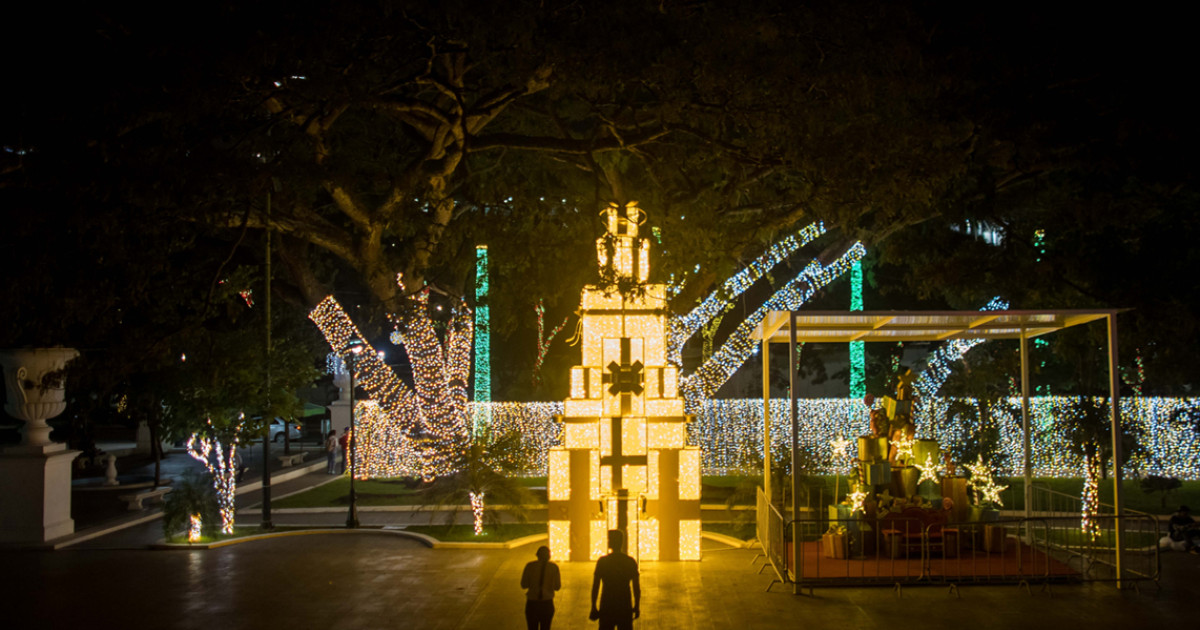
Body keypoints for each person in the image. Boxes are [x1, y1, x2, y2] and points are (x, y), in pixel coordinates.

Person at [591, 530, 640, 630]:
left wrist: (593, 605)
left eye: (609, 539)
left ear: (612, 542)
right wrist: (637, 605)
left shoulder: (603, 561)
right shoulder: (630, 561)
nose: (608, 541)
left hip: (607, 604)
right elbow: (636, 587)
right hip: (624, 604)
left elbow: (596, 586)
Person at [520, 545, 561, 630]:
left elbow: (524, 585)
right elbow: (557, 587)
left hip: (532, 603)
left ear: (537, 555)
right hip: (547, 603)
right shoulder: (554, 567)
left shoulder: (530, 566)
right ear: (549, 556)